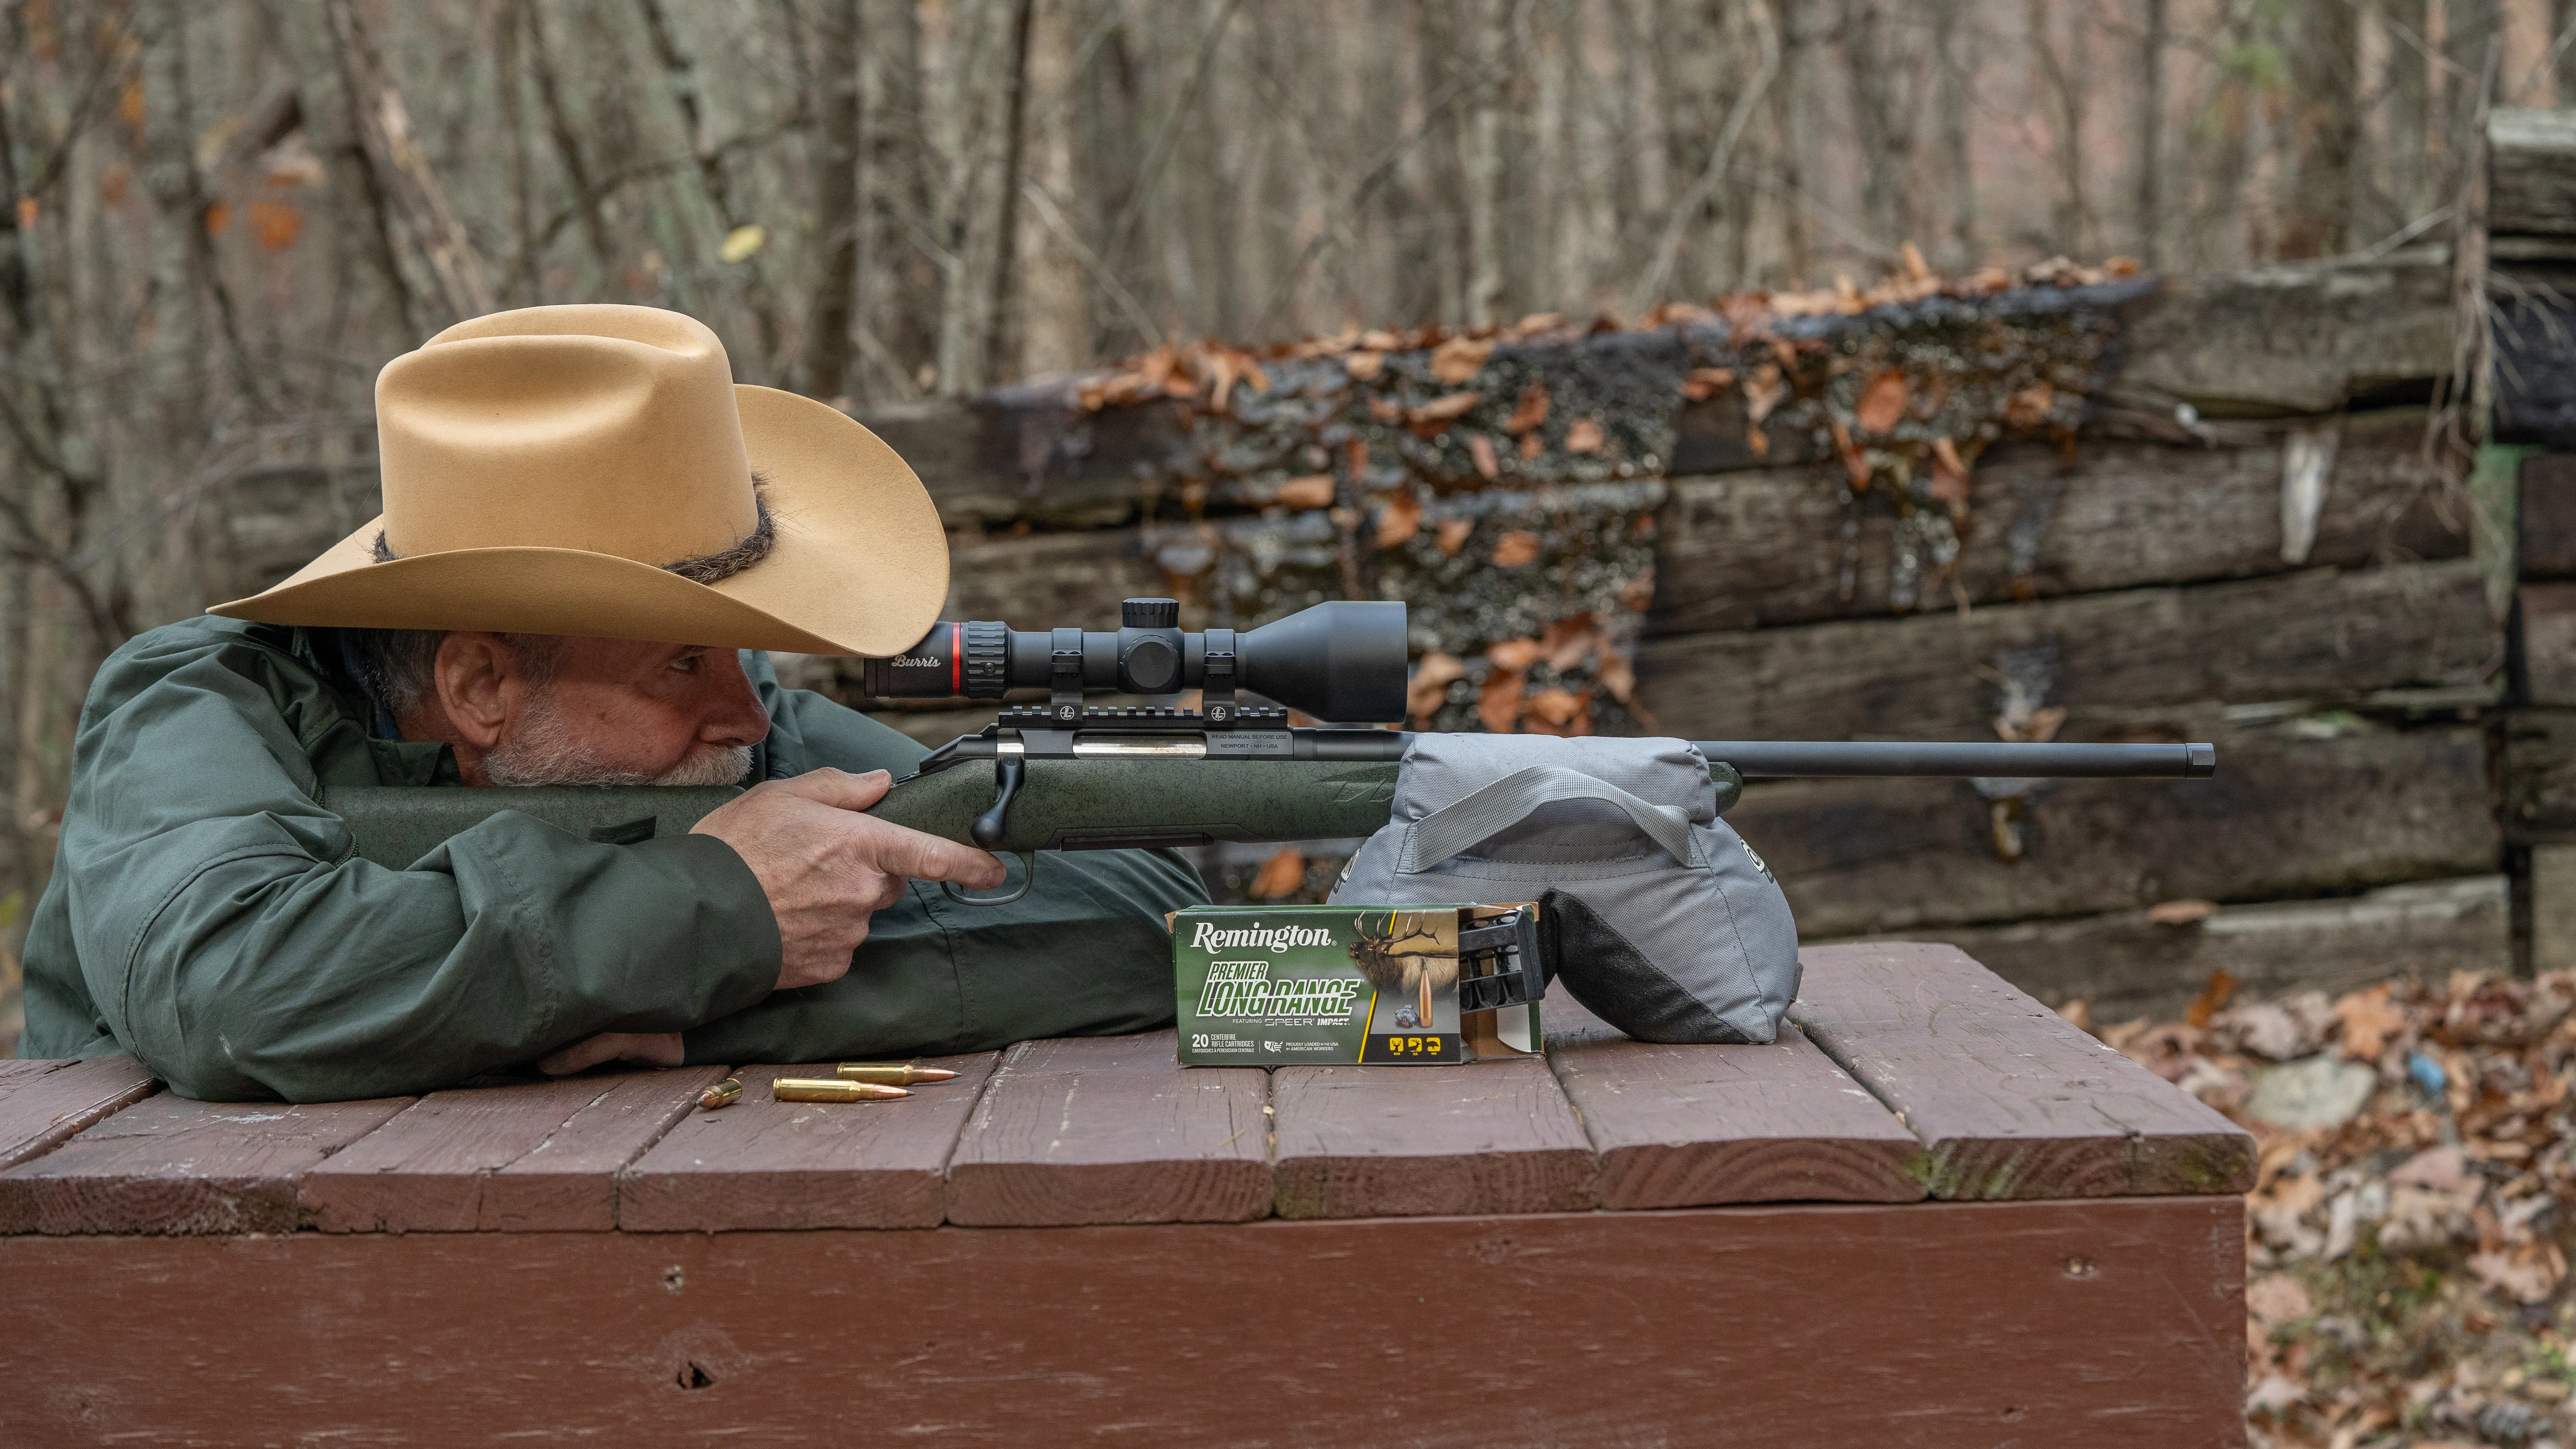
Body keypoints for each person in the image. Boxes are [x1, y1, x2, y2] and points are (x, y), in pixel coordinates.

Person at [16, 305, 1206, 1102]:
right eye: (684, 664)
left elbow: (1145, 911)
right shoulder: (200, 709)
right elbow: (233, 991)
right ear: (480, 685)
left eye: (744, 647)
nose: (751, 710)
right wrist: (713, 911)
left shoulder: (734, 731)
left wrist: (710, 1007)